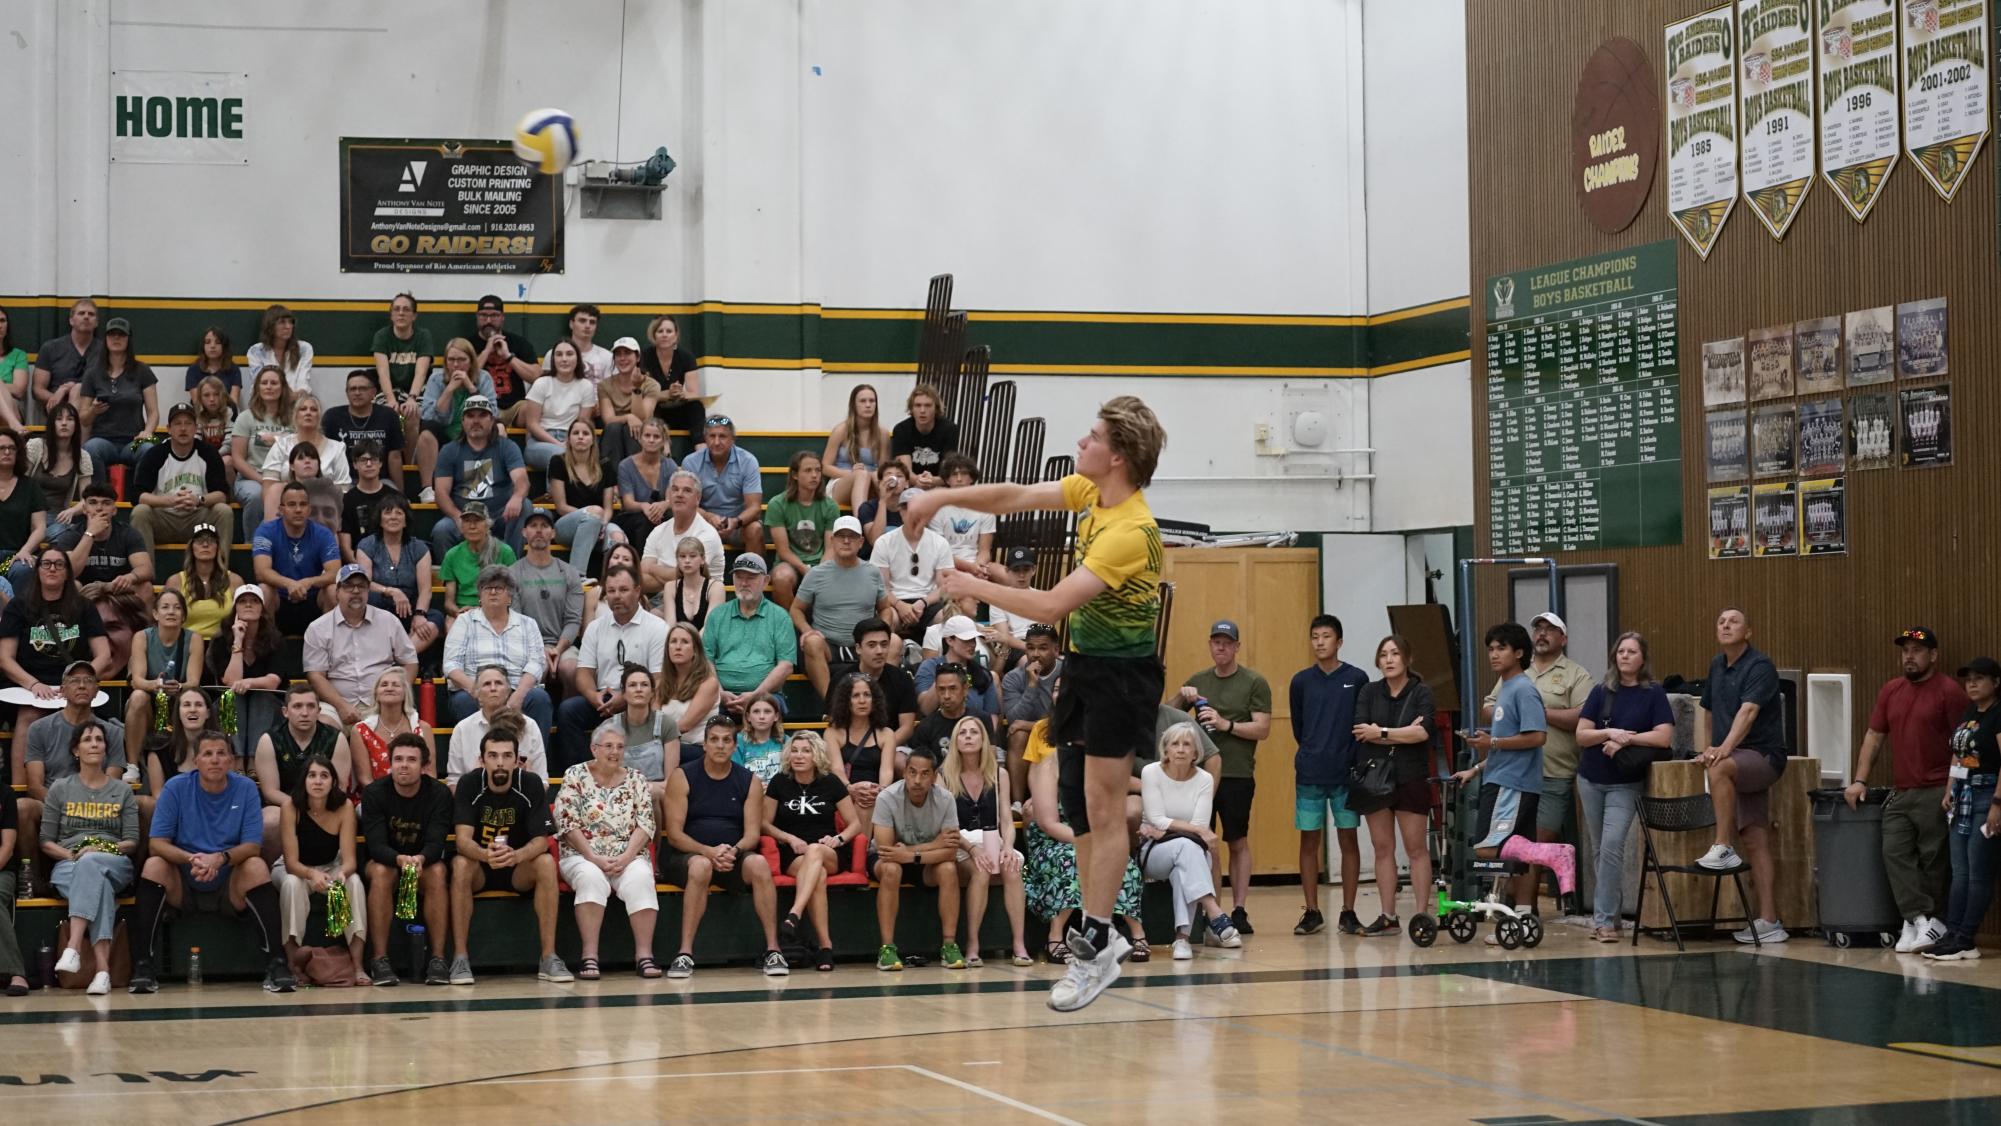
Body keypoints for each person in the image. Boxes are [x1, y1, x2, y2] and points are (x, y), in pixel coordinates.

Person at [902, 395, 1167, 1010]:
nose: (1082, 442)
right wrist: (941, 498)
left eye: (1093, 436)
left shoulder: (1132, 530)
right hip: (1088, 669)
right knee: (1077, 809)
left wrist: (972, 584)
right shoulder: (1090, 493)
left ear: (1118, 456)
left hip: (1122, 678)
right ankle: (1096, 933)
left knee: (1104, 813)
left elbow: (1051, 609)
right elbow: (1015, 495)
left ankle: (1097, 942)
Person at [131, 730, 296, 993]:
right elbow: (157, 844)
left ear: (231, 760)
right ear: (196, 761)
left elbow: (253, 846)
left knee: (256, 866)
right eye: (208, 754)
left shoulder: (245, 788)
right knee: (154, 865)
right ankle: (143, 966)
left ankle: (277, 963)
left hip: (228, 880)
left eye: (222, 753)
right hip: (185, 879)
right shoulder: (176, 787)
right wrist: (191, 858)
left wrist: (220, 859)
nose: (215, 760)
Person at [1846, 627, 1968, 953]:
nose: (1909, 656)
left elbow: (1963, 742)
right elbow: (1874, 736)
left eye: (1917, 650)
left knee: (1933, 859)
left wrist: (1953, 786)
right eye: (1905, 650)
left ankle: (1930, 920)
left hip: (1936, 787)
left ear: (1933, 655)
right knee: (1894, 852)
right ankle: (1917, 918)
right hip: (1901, 790)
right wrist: (1859, 780)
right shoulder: (1891, 690)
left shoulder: (1949, 692)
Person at [1018, 684, 1150, 969]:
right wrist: (1087, 842)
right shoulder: (1048, 765)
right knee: (1072, 861)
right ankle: (1055, 938)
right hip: (1053, 841)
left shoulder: (1097, 764)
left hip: (1091, 836)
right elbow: (1049, 823)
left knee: (1121, 861)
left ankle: (1136, 933)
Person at [1454, 623, 1577, 925]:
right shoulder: (1506, 689)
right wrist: (1477, 767)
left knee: (1486, 848)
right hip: (1503, 777)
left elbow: (1537, 737)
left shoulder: (1523, 690)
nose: (1494, 655)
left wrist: (1491, 742)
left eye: (1502, 648)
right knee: (1515, 853)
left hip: (1512, 785)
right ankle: (1519, 916)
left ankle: (1555, 855)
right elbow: (1503, 747)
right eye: (1491, 649)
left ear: (1519, 653)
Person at [659, 715, 789, 978]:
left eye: (726, 740)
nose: (720, 746)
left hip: (731, 855)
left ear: (734, 746)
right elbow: (674, 834)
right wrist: (708, 851)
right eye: (714, 740)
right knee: (701, 866)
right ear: (704, 744)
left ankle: (773, 950)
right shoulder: (682, 776)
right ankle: (684, 953)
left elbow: (752, 834)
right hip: (686, 856)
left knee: (759, 864)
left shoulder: (748, 780)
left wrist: (734, 851)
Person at [1482, 612, 1593, 904]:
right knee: (1509, 845)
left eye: (1550, 629)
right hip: (1514, 774)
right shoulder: (1516, 674)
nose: (1542, 633)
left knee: (1532, 845)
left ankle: (1524, 913)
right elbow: (1491, 706)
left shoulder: (1575, 674)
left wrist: (1535, 714)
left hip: (1553, 774)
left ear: (1563, 638)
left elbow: (1583, 716)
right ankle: (1515, 913)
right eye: (1538, 629)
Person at [1694, 607, 1789, 944]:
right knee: (1756, 837)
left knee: (1720, 766)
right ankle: (1770, 920)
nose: (1726, 625)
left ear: (1748, 631)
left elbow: (1748, 713)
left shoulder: (1760, 666)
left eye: (1734, 621)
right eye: (1720, 621)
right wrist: (1708, 747)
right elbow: (1707, 710)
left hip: (1763, 756)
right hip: (1735, 758)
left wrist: (1721, 751)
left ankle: (1722, 845)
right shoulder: (1717, 665)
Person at [1174, 619, 1275, 935]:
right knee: (1202, 842)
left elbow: (1263, 728)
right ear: (1210, 645)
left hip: (1236, 774)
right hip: (1198, 777)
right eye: (1216, 641)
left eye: (1227, 642)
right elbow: (1167, 717)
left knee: (1237, 841)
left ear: (1237, 647)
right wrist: (1182, 696)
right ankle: (1208, 910)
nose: (1221, 647)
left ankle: (1240, 909)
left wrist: (1225, 723)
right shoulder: (1198, 680)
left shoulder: (1254, 682)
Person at [1573, 631, 1674, 943]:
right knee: (1600, 848)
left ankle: (1601, 921)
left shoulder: (1653, 693)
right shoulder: (1601, 692)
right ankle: (1612, 915)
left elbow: (1664, 737)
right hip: (1591, 777)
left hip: (1626, 782)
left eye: (1632, 651)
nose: (1626, 656)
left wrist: (1628, 738)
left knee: (1613, 846)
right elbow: (1582, 734)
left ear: (1643, 658)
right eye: (1621, 651)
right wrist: (1610, 733)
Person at [449, 728, 571, 985]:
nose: (500, 762)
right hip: (481, 868)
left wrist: (516, 856)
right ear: (482, 760)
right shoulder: (470, 784)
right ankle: (460, 958)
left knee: (546, 862)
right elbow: (462, 841)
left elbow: (541, 839)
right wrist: (485, 855)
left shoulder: (531, 783)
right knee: (460, 864)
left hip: (518, 868)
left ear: (517, 760)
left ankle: (549, 957)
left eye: (507, 756)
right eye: (493, 756)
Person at [1274, 615, 1366, 936]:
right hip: (1310, 772)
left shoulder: (1356, 678)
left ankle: (1349, 911)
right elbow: (1300, 727)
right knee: (1309, 841)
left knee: (1348, 839)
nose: (1320, 642)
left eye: (1326, 636)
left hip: (1345, 774)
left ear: (1339, 642)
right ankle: (1312, 911)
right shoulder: (1301, 681)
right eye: (1314, 637)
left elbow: (1360, 723)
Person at [40, 721, 138, 994]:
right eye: (87, 740)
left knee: (92, 864)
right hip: (69, 863)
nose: (94, 744)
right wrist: (74, 854)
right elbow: (46, 842)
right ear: (75, 750)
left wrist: (102, 852)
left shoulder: (122, 790)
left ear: (106, 748)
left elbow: (131, 841)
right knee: (99, 886)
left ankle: (73, 948)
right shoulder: (60, 789)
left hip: (114, 861)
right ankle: (103, 972)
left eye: (99, 739)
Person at [558, 719, 661, 977]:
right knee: (591, 878)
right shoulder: (575, 775)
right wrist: (592, 856)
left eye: (619, 747)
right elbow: (567, 822)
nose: (615, 752)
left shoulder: (636, 778)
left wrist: (626, 857)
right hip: (582, 854)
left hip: (628, 854)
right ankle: (589, 956)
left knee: (640, 878)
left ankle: (644, 956)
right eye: (608, 746)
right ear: (594, 749)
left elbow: (646, 823)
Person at [0, 546, 112, 780]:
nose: (52, 569)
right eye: (46, 564)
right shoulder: (18, 607)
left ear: (67, 572)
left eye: (59, 564)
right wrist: (33, 685)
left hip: (73, 683)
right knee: (29, 715)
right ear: (37, 570)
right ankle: (23, 791)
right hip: (29, 686)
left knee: (84, 716)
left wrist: (78, 681)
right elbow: (4, 658)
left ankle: (88, 786)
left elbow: (103, 655)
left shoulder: (84, 607)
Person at [1141, 722, 1243, 959]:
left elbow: (1199, 824)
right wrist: (1188, 831)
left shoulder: (1205, 778)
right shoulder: (1151, 772)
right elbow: (1157, 818)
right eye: (1174, 744)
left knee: (1183, 868)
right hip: (1154, 852)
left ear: (1196, 753)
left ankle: (1182, 940)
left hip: (1189, 850)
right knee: (1189, 849)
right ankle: (1216, 914)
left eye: (1187, 744)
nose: (1180, 749)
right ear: (1165, 750)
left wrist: (1168, 829)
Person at [361, 732, 454, 986]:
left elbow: (437, 842)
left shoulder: (439, 794)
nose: (404, 765)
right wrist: (400, 859)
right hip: (386, 862)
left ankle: (437, 959)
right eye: (398, 759)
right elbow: (376, 845)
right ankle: (379, 959)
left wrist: (420, 859)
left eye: (411, 760)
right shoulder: (374, 793)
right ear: (389, 763)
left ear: (424, 766)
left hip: (424, 862)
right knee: (382, 872)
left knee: (437, 872)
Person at [937, 716, 1031, 967]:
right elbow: (944, 827)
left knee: (1012, 866)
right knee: (981, 868)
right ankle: (973, 943)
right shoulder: (943, 775)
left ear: (983, 739)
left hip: (992, 842)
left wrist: (1009, 846)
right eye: (962, 732)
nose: (968, 736)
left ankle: (1019, 944)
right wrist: (971, 848)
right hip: (960, 845)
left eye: (974, 732)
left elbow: (1007, 822)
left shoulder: (999, 774)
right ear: (955, 741)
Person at [762, 729, 858, 971]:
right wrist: (789, 838)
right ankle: (825, 948)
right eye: (794, 750)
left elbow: (856, 824)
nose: (799, 755)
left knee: (815, 851)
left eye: (805, 751)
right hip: (793, 853)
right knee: (819, 876)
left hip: (828, 852)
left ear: (816, 755)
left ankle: (794, 913)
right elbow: (764, 823)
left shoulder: (831, 782)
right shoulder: (780, 782)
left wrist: (838, 839)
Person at [557, 565, 668, 773]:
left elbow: (658, 679)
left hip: (639, 700)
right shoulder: (595, 627)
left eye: (623, 590)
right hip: (602, 700)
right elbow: (584, 673)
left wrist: (625, 698)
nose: (617, 596)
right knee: (567, 711)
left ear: (637, 591)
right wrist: (593, 696)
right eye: (611, 591)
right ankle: (581, 776)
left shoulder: (657, 627)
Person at [867, 743, 966, 971]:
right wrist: (933, 845)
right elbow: (886, 851)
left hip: (923, 861)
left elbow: (950, 851)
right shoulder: (887, 797)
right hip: (888, 860)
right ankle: (887, 949)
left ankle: (949, 946)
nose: (917, 780)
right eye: (912, 773)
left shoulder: (946, 799)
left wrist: (912, 853)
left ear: (934, 777)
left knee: (949, 869)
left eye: (924, 774)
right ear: (905, 773)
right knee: (892, 869)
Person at [1928, 656, 2001, 961]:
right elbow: (1960, 755)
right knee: (1959, 870)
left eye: (1979, 678)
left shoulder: (1998, 715)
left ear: (1995, 683)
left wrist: (1998, 803)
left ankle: (1967, 938)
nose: (1971, 684)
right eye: (1968, 678)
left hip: (1987, 794)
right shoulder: (1970, 713)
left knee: (1977, 871)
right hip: (1963, 794)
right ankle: (1952, 933)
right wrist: (1950, 789)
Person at [19, 661, 129, 853]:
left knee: (145, 806)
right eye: (74, 681)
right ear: (62, 690)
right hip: (53, 803)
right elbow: (35, 785)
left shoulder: (112, 732)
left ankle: (134, 878)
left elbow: (113, 783)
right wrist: (66, 807)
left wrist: (84, 809)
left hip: (99, 805)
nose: (81, 685)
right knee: (23, 807)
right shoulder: (39, 728)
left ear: (96, 690)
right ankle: (33, 878)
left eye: (88, 681)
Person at [276, 755, 367, 983]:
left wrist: (341, 874)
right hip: (295, 869)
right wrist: (311, 874)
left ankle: (357, 966)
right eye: (312, 775)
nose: (318, 781)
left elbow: (349, 860)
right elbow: (291, 863)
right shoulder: (290, 807)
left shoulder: (345, 806)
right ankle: (293, 964)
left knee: (353, 882)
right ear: (304, 781)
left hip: (330, 866)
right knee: (291, 884)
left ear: (333, 782)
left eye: (324, 776)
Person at [303, 563, 419, 730]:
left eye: (361, 586)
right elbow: (315, 676)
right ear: (337, 592)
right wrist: (341, 706)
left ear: (368, 591)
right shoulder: (318, 628)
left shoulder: (388, 621)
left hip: (382, 703)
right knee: (324, 725)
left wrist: (399, 694)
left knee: (410, 725)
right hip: (336, 704)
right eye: (348, 586)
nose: (356, 591)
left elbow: (410, 662)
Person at [441, 565, 552, 734]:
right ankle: (477, 758)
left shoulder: (528, 624)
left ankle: (533, 759)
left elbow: (537, 663)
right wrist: (476, 690)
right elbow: (450, 664)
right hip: (475, 690)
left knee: (539, 699)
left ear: (510, 596)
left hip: (516, 687)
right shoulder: (464, 621)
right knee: (463, 701)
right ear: (480, 595)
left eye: (499, 588)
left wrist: (519, 695)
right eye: (487, 588)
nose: (493, 592)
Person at [792, 516, 894, 700]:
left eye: (852, 536)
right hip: (829, 644)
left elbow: (885, 608)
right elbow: (796, 609)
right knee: (812, 643)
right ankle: (830, 705)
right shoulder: (816, 574)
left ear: (861, 542)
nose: (846, 541)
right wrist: (808, 630)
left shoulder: (872, 572)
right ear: (832, 540)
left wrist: (882, 631)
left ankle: (878, 702)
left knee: (894, 643)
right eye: (841, 536)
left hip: (863, 642)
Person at [128, 402, 233, 565]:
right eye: (177, 424)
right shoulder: (155, 454)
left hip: (198, 519)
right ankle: (144, 575)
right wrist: (169, 501)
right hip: (165, 519)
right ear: (169, 429)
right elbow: (137, 495)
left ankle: (220, 573)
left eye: (188, 423)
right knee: (140, 512)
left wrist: (198, 500)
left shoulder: (208, 453)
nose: (183, 429)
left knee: (223, 511)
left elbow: (222, 494)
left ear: (195, 428)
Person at [255, 682, 352, 849]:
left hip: (325, 804)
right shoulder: (269, 740)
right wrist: (301, 807)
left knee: (344, 810)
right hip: (286, 805)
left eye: (310, 706)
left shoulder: (336, 739)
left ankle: (335, 866)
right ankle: (272, 869)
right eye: (297, 706)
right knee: (270, 819)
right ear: (285, 712)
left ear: (318, 711)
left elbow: (340, 786)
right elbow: (270, 792)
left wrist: (317, 807)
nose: (305, 713)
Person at [432, 395, 529, 556]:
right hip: (465, 516)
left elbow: (521, 479)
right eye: (470, 416)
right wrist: (458, 517)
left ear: (492, 421)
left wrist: (517, 497)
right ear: (463, 422)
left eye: (482, 416)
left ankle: (513, 570)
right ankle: (452, 579)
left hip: (499, 517)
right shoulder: (449, 450)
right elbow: (441, 493)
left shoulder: (507, 447)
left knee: (525, 505)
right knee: (441, 530)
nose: (476, 421)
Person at [702, 555, 797, 714]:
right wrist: (720, 693)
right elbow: (705, 659)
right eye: (739, 577)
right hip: (720, 695)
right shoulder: (717, 615)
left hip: (766, 696)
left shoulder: (780, 617)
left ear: (766, 581)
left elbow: (786, 666)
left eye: (751, 578)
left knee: (763, 710)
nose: (744, 583)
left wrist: (756, 695)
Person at [122, 588, 204, 763]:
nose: (171, 612)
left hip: (177, 703)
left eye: (177, 608)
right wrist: (156, 685)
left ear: (183, 615)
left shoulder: (194, 638)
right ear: (155, 614)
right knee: (137, 697)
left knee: (194, 700)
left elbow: (194, 681)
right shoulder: (142, 637)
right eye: (165, 607)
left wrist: (180, 687)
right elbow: (137, 680)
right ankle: (132, 765)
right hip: (151, 705)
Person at [413, 337, 500, 502]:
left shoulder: (484, 378)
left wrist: (471, 388)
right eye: (451, 360)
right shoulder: (436, 380)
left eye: (461, 360)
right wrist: (448, 391)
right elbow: (428, 416)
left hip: (474, 433)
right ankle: (427, 489)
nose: (456, 365)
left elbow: (493, 413)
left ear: (471, 361)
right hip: (445, 434)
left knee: (498, 430)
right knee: (425, 433)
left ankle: (480, 488)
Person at [356, 493, 441, 657]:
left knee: (434, 619)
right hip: (379, 606)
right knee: (368, 601)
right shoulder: (367, 545)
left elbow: (425, 590)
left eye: (399, 513)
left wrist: (419, 614)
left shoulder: (419, 548)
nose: (393, 517)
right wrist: (390, 591)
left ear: (405, 520)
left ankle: (397, 657)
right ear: (380, 519)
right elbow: (364, 582)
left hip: (409, 607)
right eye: (387, 512)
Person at [252, 481, 342, 635]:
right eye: (292, 504)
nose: (298, 509)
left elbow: (335, 573)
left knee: (334, 591)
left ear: (309, 509)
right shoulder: (266, 531)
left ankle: (330, 648)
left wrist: (308, 583)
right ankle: (268, 647)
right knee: (264, 590)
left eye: (303, 504)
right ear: (281, 509)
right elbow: (261, 572)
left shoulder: (323, 534)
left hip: (313, 599)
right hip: (279, 600)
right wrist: (289, 584)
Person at [512, 510, 585, 689]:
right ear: (524, 532)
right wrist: (540, 650)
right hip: (526, 644)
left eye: (544, 526)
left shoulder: (569, 572)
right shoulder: (512, 573)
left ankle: (566, 715)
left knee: (571, 668)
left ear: (552, 533)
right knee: (537, 668)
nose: (539, 530)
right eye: (533, 526)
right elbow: (515, 619)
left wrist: (557, 650)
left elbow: (573, 620)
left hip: (563, 644)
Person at [204, 586, 284, 747]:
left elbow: (273, 681)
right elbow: (231, 681)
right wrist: (238, 641)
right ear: (235, 610)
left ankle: (255, 760)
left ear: (262, 610)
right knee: (230, 698)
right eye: (242, 601)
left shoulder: (275, 639)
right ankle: (237, 759)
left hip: (268, 704)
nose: (248, 605)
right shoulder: (220, 640)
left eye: (254, 601)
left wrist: (249, 683)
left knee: (260, 697)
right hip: (229, 704)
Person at [79, 316, 160, 472]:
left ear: (129, 339)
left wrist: (147, 433)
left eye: (121, 334)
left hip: (134, 439)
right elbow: (83, 418)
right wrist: (93, 411)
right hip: (102, 439)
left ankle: (141, 496)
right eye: (111, 334)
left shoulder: (142, 370)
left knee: (148, 449)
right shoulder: (92, 374)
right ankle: (97, 495)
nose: (116, 338)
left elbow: (153, 412)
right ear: (105, 339)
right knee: (90, 449)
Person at [444, 667, 549, 783]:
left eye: (498, 683)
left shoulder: (529, 725)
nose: (493, 688)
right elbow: (454, 782)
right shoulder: (462, 729)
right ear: (477, 693)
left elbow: (542, 781)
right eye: (487, 684)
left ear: (508, 691)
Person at [260, 394, 353, 519]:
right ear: (295, 415)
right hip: (286, 509)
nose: (308, 412)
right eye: (303, 409)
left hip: (323, 512)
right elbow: (269, 485)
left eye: (313, 409)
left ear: (319, 417)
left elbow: (343, 490)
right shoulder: (282, 445)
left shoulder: (336, 448)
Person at [767, 451, 839, 607]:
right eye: (808, 470)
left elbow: (830, 549)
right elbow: (783, 551)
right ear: (795, 475)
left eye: (818, 470)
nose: (814, 475)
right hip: (790, 563)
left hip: (821, 562)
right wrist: (806, 570)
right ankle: (791, 625)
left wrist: (819, 571)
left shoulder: (830, 506)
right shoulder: (777, 504)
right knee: (781, 577)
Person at [680, 415, 763, 550]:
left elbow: (754, 507)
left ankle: (755, 571)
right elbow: (687, 504)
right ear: (705, 438)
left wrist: (735, 522)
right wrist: (708, 516)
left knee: (755, 529)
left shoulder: (748, 461)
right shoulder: (691, 462)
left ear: (732, 439)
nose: (717, 442)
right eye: (712, 436)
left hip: (738, 525)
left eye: (722, 436)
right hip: (703, 524)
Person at [872, 506, 954, 641]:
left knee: (948, 621)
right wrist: (900, 605)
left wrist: (922, 603)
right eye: (906, 508)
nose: (912, 513)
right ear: (900, 511)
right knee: (887, 618)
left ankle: (939, 660)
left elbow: (944, 587)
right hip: (894, 601)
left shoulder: (940, 542)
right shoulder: (884, 542)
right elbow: (880, 586)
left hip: (928, 601)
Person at [229, 365, 294, 534]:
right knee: (258, 496)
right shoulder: (246, 417)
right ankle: (254, 545)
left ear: (283, 387)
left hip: (286, 477)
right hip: (251, 479)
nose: (269, 387)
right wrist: (263, 480)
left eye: (274, 383)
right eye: (264, 383)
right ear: (257, 387)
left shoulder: (294, 418)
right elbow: (237, 459)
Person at [549, 418, 618, 575]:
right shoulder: (558, 462)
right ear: (568, 439)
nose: (580, 437)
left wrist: (602, 522)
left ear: (593, 440)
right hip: (566, 525)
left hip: (600, 522)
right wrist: (591, 514)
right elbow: (561, 506)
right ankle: (576, 576)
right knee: (593, 516)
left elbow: (608, 508)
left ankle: (611, 585)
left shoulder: (605, 465)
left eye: (585, 433)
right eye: (576, 433)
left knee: (617, 536)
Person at [371, 292, 435, 459]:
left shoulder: (423, 336)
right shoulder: (382, 336)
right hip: (388, 391)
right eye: (397, 309)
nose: (401, 313)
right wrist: (391, 399)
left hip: (415, 390)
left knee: (412, 414)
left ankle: (409, 464)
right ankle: (384, 463)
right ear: (391, 314)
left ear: (414, 316)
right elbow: (382, 372)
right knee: (385, 414)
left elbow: (421, 373)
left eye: (406, 310)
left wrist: (412, 397)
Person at [24, 402, 93, 556]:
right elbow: (19, 483)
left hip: (57, 519)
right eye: (59, 419)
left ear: (76, 425)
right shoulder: (36, 446)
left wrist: (72, 511)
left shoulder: (83, 457)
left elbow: (87, 499)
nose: (64, 423)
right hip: (28, 515)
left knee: (68, 534)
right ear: (51, 423)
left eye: (69, 419)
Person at [640, 470, 726, 593]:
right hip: (660, 598)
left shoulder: (707, 534)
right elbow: (642, 575)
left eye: (687, 490)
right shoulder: (658, 531)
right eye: (675, 489)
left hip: (699, 599)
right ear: (668, 495)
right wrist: (674, 574)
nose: (679, 494)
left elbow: (688, 577)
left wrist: (653, 569)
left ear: (698, 498)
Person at [1003, 624, 1063, 795]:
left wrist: (1030, 725)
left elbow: (1069, 719)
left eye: (1043, 648)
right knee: (1017, 734)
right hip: (1031, 738)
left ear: (1056, 650)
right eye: (1030, 648)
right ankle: (1017, 803)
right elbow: (1014, 721)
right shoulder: (1012, 678)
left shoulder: (1068, 673)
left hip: (1061, 735)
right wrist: (1031, 686)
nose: (1035, 654)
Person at [522, 338, 599, 471]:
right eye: (559, 354)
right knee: (560, 456)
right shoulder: (541, 383)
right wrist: (559, 445)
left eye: (569, 354)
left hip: (572, 439)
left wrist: (569, 443)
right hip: (540, 441)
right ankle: (555, 493)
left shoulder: (585, 386)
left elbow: (583, 424)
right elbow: (532, 424)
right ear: (553, 360)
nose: (564, 359)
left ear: (578, 358)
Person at [352, 666, 434, 790]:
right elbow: (364, 779)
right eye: (384, 685)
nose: (389, 688)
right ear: (376, 693)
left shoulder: (423, 728)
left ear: (405, 693)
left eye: (395, 685)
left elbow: (430, 774)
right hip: (375, 798)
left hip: (417, 797)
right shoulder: (360, 730)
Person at [439, 502, 518, 624]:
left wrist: (481, 611)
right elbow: (449, 603)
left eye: (477, 521)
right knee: (451, 625)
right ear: (461, 526)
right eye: (467, 521)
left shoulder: (505, 552)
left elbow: (513, 595)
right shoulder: (452, 555)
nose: (472, 526)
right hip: (462, 612)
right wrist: (459, 613)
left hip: (496, 610)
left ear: (487, 525)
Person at [325, 368, 406, 486]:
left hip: (381, 481)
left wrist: (400, 493)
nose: (357, 392)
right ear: (347, 393)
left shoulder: (388, 416)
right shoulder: (332, 417)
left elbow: (395, 458)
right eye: (352, 389)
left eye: (362, 388)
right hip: (345, 481)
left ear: (373, 392)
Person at [472, 295, 541, 427]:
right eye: (483, 315)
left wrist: (508, 356)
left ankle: (533, 447)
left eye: (494, 315)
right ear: (477, 316)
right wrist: (486, 351)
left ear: (502, 317)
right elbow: (468, 378)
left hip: (514, 407)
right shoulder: (468, 344)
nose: (488, 320)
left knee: (532, 409)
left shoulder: (518, 342)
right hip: (481, 405)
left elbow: (536, 376)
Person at [166, 521, 241, 641]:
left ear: (217, 547)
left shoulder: (234, 580)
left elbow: (241, 620)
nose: (205, 544)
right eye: (199, 540)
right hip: (186, 645)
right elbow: (167, 621)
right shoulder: (176, 581)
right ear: (191, 547)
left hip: (223, 646)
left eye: (211, 540)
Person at [31, 298, 103, 423]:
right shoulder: (50, 348)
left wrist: (70, 388)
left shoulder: (105, 351)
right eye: (81, 313)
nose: (86, 317)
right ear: (71, 320)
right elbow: (37, 389)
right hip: (56, 412)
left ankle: (72, 437)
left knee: (79, 389)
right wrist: (57, 398)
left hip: (94, 410)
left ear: (96, 323)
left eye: (91, 314)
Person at [612, 417, 679, 550]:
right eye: (647, 435)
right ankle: (642, 567)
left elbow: (671, 498)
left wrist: (663, 505)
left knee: (671, 518)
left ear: (663, 441)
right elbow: (628, 503)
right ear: (640, 438)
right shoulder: (625, 465)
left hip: (661, 516)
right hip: (633, 517)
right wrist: (644, 506)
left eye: (656, 436)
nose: (651, 440)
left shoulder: (670, 465)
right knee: (645, 521)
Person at [660, 622, 722, 764]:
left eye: (685, 642)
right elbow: (652, 720)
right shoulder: (661, 683)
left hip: (696, 751)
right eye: (673, 642)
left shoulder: (708, 683)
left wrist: (654, 741)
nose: (678, 646)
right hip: (666, 746)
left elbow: (685, 725)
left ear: (695, 650)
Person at [853, 616, 921, 747]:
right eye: (872, 645)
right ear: (858, 648)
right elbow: (836, 725)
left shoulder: (902, 679)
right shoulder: (843, 679)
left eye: (884, 645)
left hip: (892, 745)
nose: (879, 651)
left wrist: (881, 748)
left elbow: (906, 728)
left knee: (900, 762)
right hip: (850, 747)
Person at [926, 454, 996, 580]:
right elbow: (940, 553)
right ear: (947, 480)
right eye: (954, 474)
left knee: (1004, 573)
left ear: (972, 478)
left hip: (976, 563)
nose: (959, 479)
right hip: (946, 564)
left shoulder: (985, 507)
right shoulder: (937, 509)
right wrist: (970, 568)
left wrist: (979, 566)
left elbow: (985, 550)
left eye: (963, 474)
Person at [642, 314, 703, 455]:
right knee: (652, 405)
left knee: (696, 406)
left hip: (678, 409)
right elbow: (644, 393)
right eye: (660, 331)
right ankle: (663, 445)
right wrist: (666, 394)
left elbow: (694, 393)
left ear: (675, 335)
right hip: (655, 410)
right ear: (654, 335)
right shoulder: (644, 357)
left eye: (669, 331)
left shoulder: (686, 357)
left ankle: (701, 449)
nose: (665, 335)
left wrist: (681, 393)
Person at [917, 616, 1001, 717]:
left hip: (975, 730)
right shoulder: (930, 667)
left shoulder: (982, 673)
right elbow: (925, 709)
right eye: (966, 640)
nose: (973, 644)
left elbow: (993, 717)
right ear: (949, 640)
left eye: (973, 639)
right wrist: (945, 674)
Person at [596, 337, 660, 464]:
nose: (622, 358)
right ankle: (612, 479)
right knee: (614, 428)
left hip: (640, 435)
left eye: (627, 353)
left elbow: (642, 418)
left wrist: (636, 388)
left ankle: (634, 476)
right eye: (618, 354)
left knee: (632, 429)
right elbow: (608, 420)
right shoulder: (604, 385)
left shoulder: (652, 385)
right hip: (613, 436)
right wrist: (628, 417)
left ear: (637, 357)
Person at [822, 384, 887, 507]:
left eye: (872, 401)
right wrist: (851, 473)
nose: (868, 405)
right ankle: (861, 520)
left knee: (876, 477)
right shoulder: (841, 430)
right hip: (841, 483)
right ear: (854, 405)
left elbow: (884, 469)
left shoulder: (882, 433)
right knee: (862, 474)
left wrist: (873, 475)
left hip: (871, 484)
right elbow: (825, 466)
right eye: (863, 401)